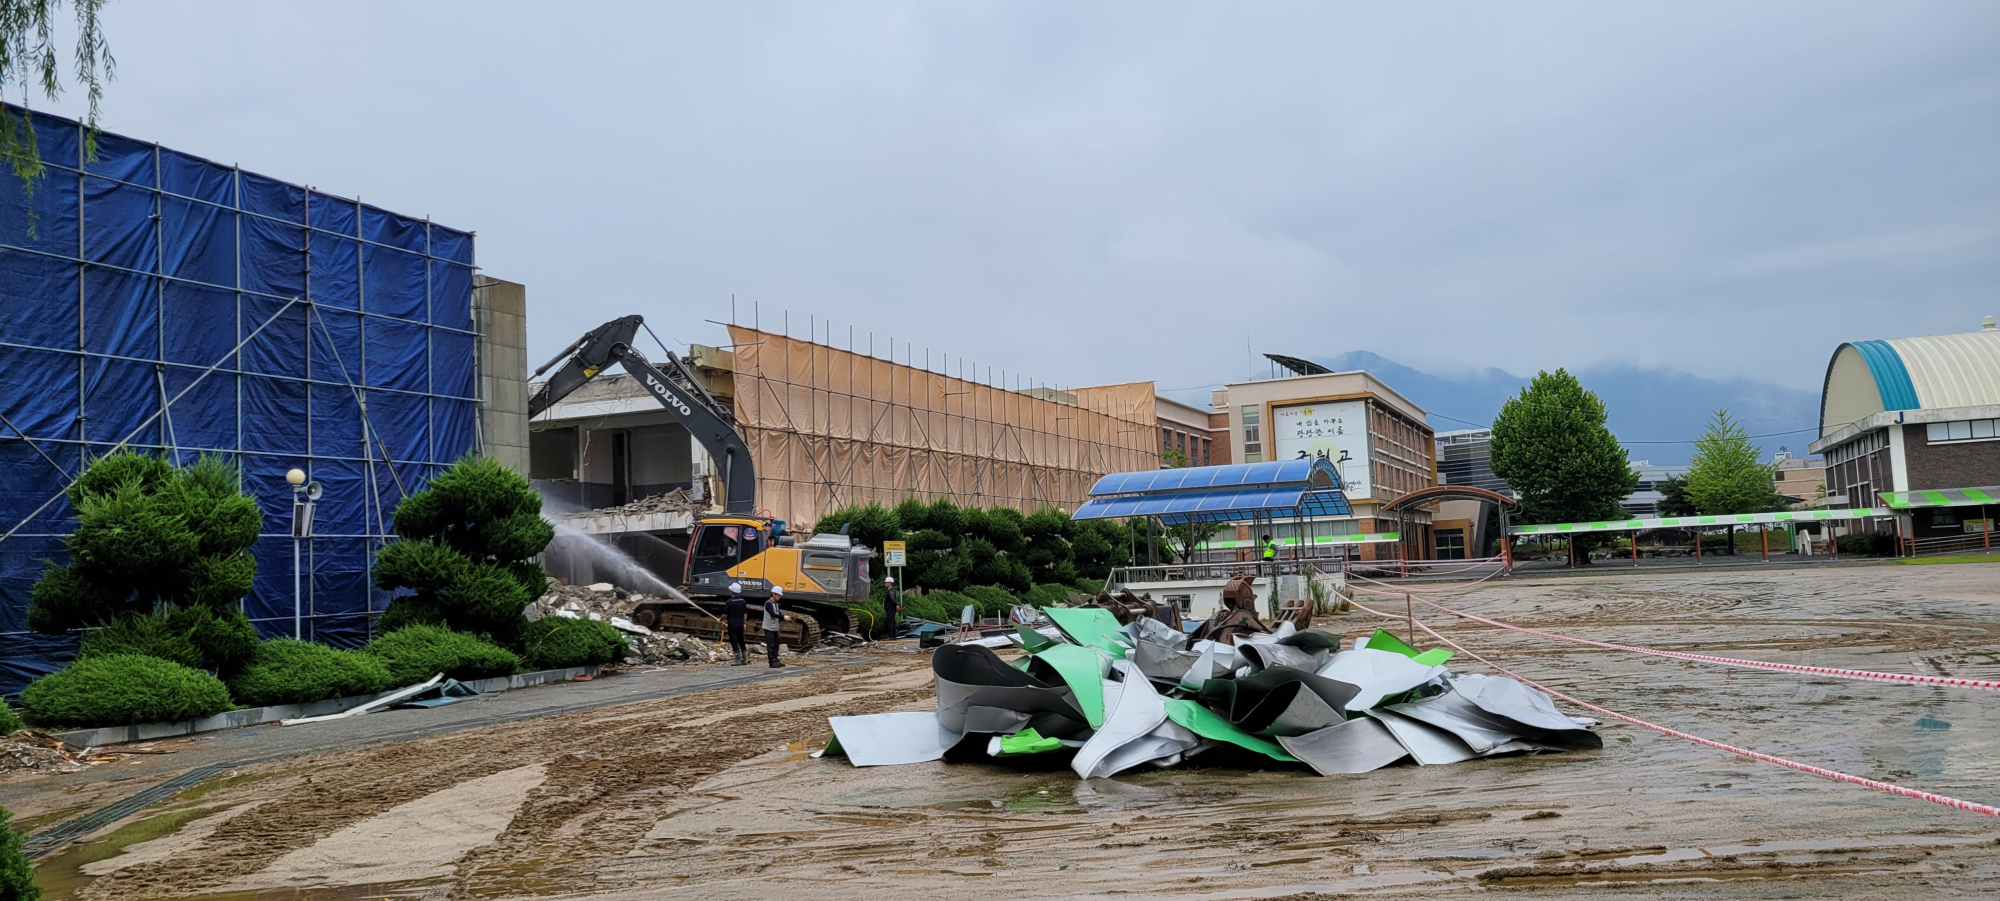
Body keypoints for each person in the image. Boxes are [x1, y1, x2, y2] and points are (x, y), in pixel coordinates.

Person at [724, 581, 749, 666]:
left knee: (734, 641)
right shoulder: (742, 601)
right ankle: (745, 659)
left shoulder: (729, 602)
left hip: (732, 625)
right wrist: (744, 623)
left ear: (732, 591)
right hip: (740, 624)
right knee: (741, 640)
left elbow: (725, 614)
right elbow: (745, 613)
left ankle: (737, 660)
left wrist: (720, 620)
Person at [763, 585, 786, 668]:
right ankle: (772, 661)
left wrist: (783, 617)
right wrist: (782, 617)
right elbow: (773, 614)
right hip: (769, 627)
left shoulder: (775, 604)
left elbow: (778, 612)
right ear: (774, 594)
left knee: (776, 644)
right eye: (778, 595)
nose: (779, 597)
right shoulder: (768, 604)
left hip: (775, 627)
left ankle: (776, 659)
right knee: (771, 645)